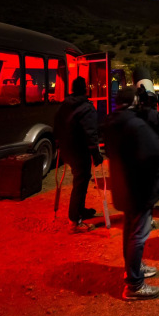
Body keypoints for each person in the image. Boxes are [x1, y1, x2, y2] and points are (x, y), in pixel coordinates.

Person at [102, 88, 159, 300]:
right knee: (138, 236)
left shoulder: (112, 122)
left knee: (130, 232)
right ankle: (134, 285)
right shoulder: (136, 125)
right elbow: (152, 156)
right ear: (135, 101)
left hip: (125, 187)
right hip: (139, 189)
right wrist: (157, 185)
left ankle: (134, 268)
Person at [53, 76, 104, 232]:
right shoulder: (86, 108)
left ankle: (80, 210)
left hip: (66, 149)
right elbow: (90, 133)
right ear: (86, 89)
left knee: (81, 178)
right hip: (79, 150)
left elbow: (56, 124)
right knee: (80, 181)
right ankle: (74, 220)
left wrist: (58, 144)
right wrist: (96, 154)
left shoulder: (64, 105)